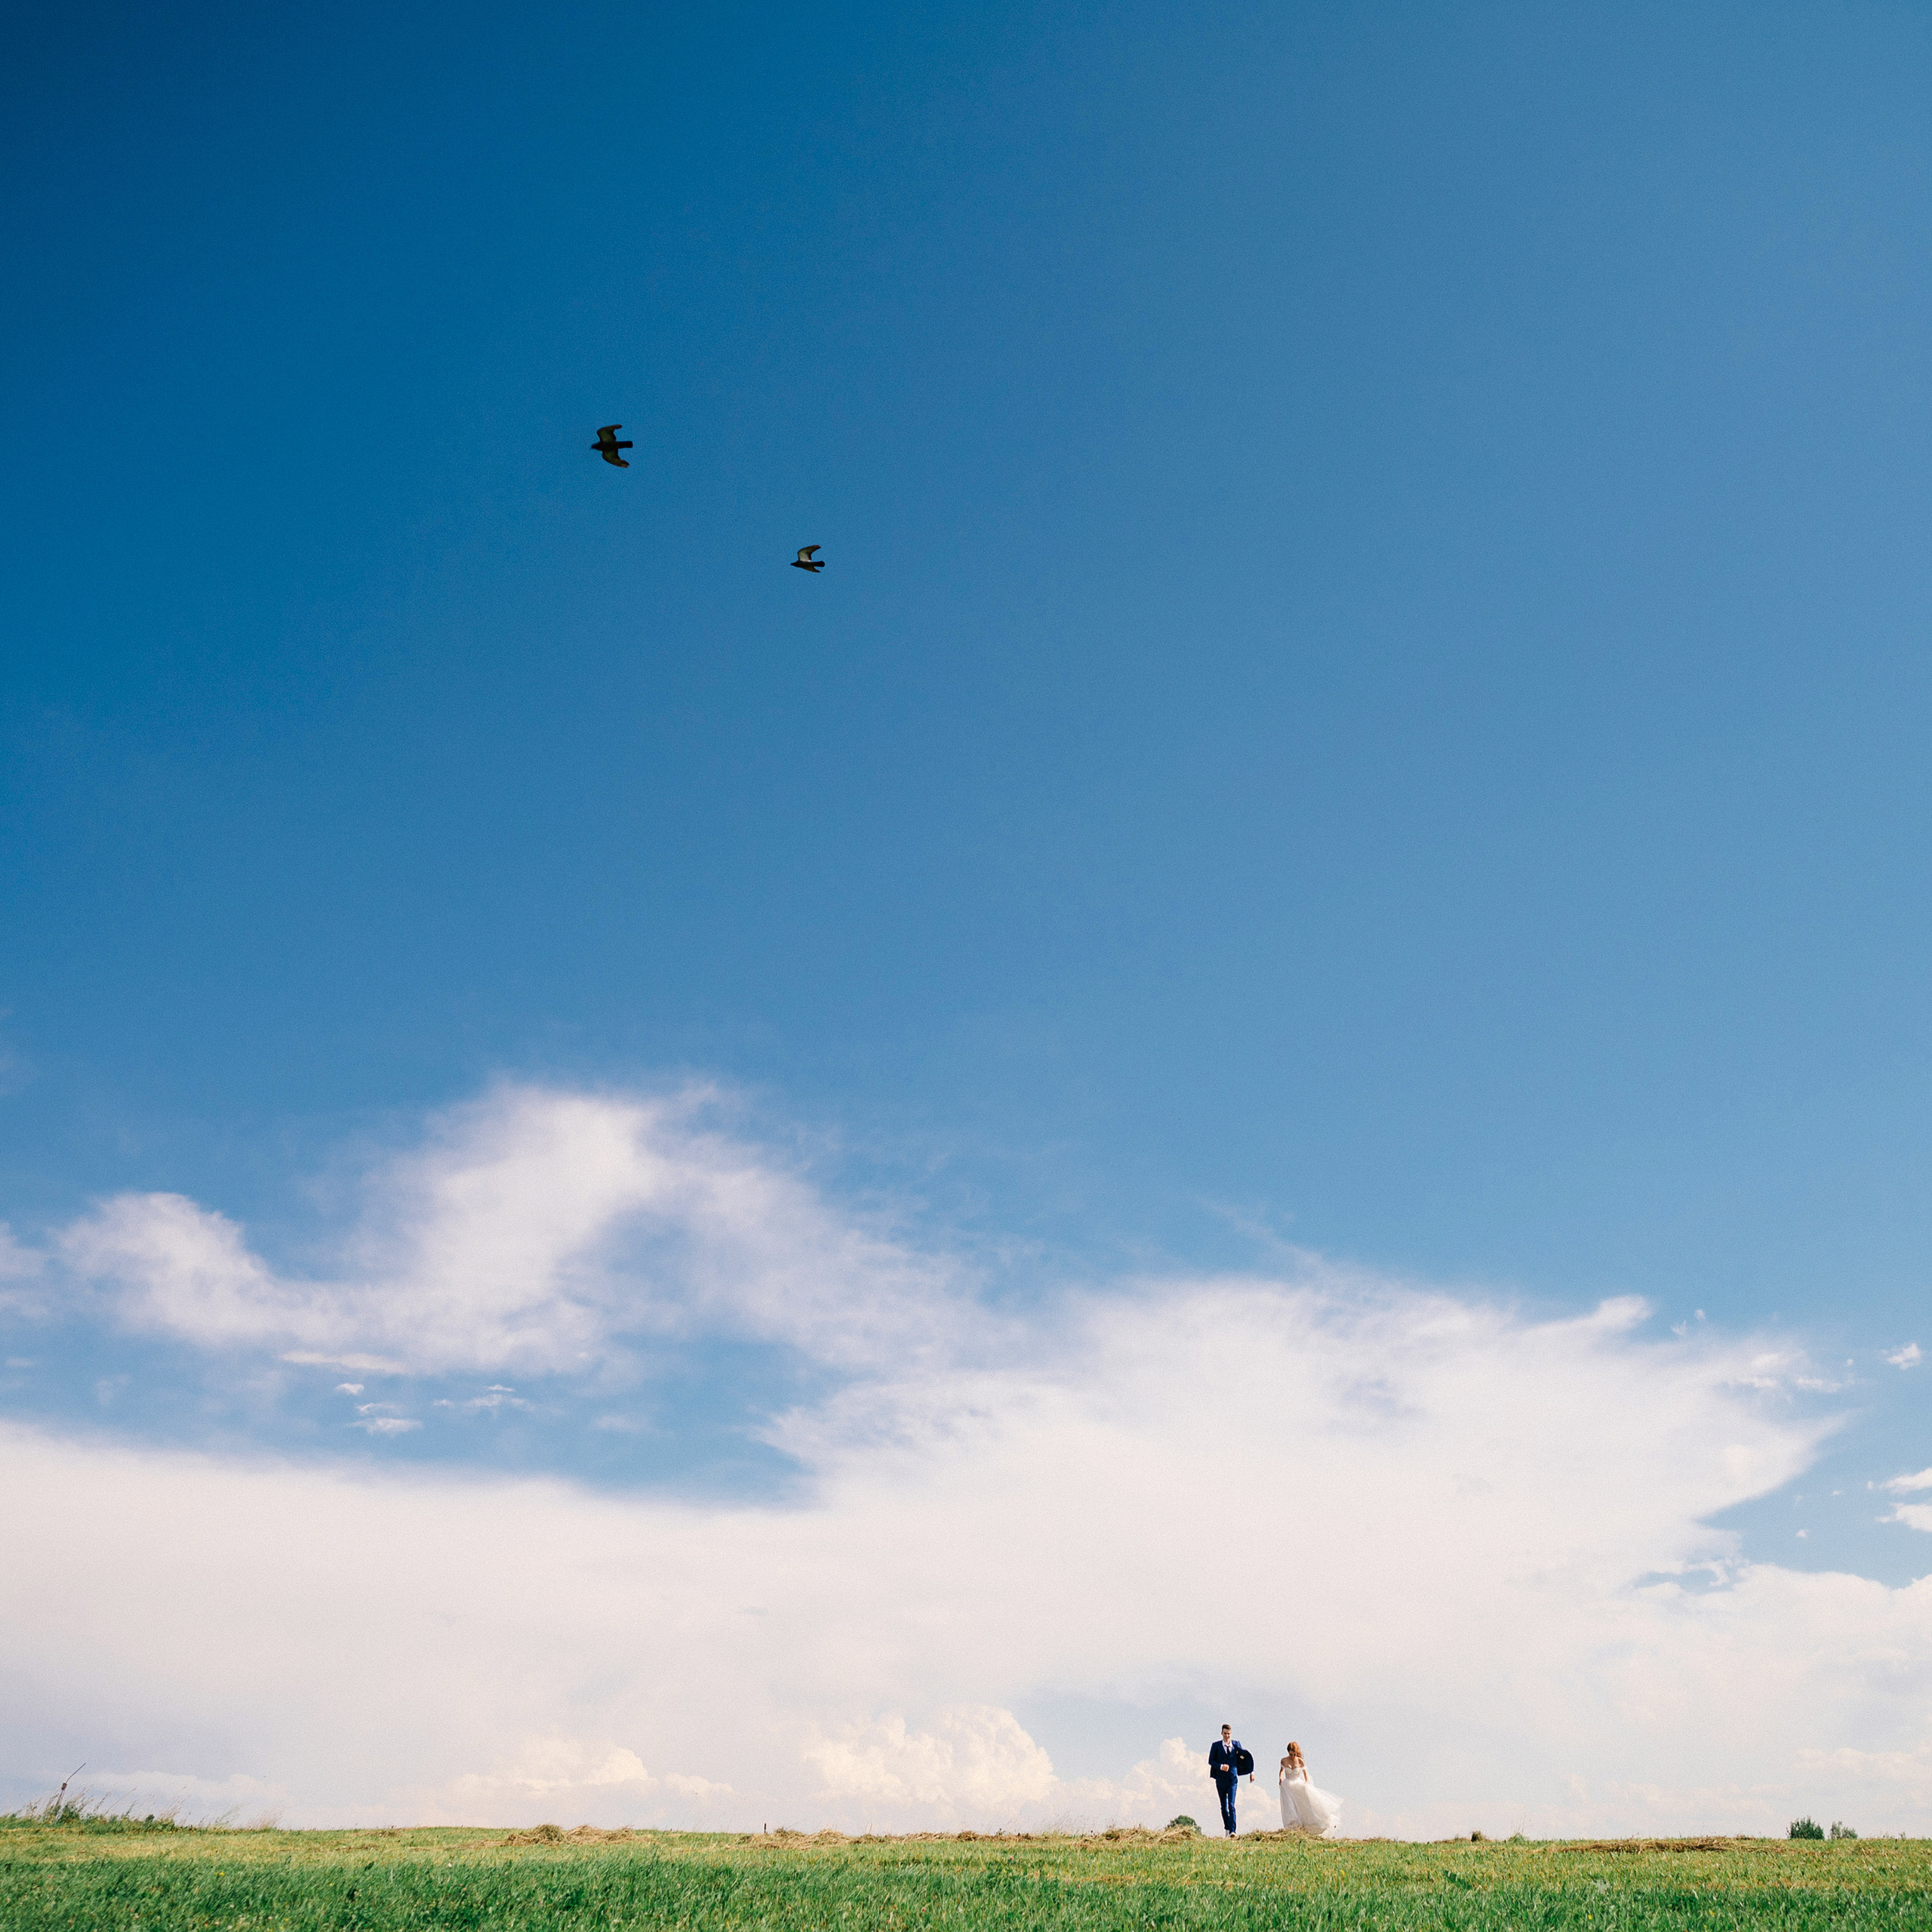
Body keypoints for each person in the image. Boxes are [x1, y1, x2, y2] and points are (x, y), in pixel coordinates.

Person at [1278, 1740, 1343, 1839]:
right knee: (1290, 1806)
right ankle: (1293, 1828)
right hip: (1288, 1786)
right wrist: (1280, 1778)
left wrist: (1306, 1782)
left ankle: (1311, 1825)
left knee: (1303, 1805)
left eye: (1294, 1754)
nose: (1292, 1756)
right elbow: (1282, 1771)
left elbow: (1305, 1775)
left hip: (1297, 1784)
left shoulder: (1300, 1761)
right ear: (1288, 1752)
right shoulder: (1284, 1760)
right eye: (1291, 1754)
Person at [1208, 1723, 1253, 1837]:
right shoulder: (1216, 1746)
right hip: (1221, 1779)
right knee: (1224, 1806)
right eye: (1225, 1734)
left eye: (1228, 1734)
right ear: (1221, 1733)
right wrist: (1220, 1766)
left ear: (1231, 1734)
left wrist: (1251, 1772)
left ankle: (1233, 1831)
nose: (1227, 1736)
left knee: (1231, 1805)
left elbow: (1246, 1758)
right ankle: (1227, 1829)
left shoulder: (1236, 1744)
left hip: (1233, 1779)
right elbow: (1211, 1761)